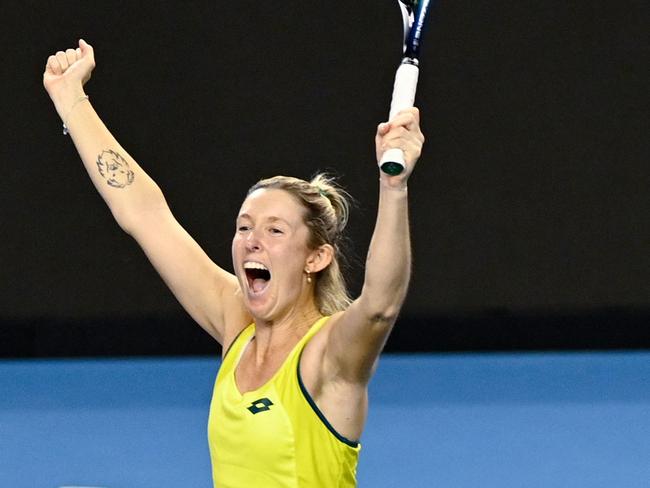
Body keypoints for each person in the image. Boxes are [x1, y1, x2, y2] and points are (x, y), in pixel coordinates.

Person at [43, 39, 425, 487]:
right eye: (244, 227)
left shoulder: (329, 356)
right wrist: (72, 100)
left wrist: (392, 186)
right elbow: (146, 215)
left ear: (317, 258)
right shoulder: (236, 321)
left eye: (275, 231)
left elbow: (380, 304)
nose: (252, 242)